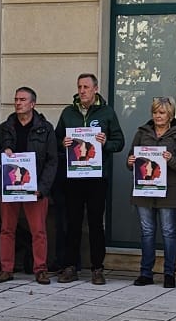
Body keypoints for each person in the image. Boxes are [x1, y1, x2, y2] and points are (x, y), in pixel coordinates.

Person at [53, 73, 124, 285]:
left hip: (96, 177)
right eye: (79, 87)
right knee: (72, 223)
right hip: (73, 177)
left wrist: (105, 143)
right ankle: (70, 266)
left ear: (95, 89)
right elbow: (56, 139)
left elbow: (119, 142)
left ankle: (97, 268)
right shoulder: (68, 112)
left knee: (95, 224)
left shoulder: (107, 113)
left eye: (86, 87)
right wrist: (62, 143)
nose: (82, 91)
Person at [0, 86, 57, 284]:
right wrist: (4, 153)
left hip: (34, 187)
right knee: (6, 229)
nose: (18, 103)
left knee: (38, 231)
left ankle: (41, 269)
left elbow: (52, 161)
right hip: (10, 187)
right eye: (16, 99)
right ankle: (6, 269)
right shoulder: (5, 127)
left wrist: (43, 188)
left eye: (22, 100)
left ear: (32, 104)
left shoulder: (45, 128)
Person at [128, 96, 176, 288]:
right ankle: (146, 273)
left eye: (162, 112)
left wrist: (171, 159)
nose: (158, 116)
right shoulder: (142, 132)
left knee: (169, 232)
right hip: (144, 190)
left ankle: (169, 274)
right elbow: (131, 157)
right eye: (155, 112)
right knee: (147, 232)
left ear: (170, 114)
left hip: (170, 191)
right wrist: (130, 162)